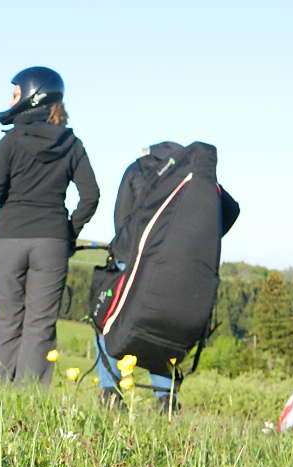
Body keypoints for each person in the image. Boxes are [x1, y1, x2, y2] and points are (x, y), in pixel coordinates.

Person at [96, 143, 240, 410]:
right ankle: (165, 398)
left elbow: (122, 217)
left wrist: (125, 248)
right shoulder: (199, 180)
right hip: (183, 271)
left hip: (135, 260)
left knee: (106, 318)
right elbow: (232, 211)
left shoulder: (139, 169)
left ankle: (110, 392)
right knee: (162, 329)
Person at [0, 66, 99, 385]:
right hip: (52, 241)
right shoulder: (72, 144)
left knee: (7, 320)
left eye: (15, 94)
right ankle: (29, 396)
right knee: (41, 323)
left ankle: (2, 393)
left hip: (10, 238)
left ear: (32, 96)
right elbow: (91, 196)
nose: (11, 100)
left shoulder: (10, 142)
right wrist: (69, 233)